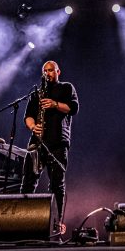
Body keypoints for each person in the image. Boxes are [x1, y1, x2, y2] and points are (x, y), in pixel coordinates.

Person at [20, 61, 79, 236]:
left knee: (56, 185)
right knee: (28, 182)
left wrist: (54, 104)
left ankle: (56, 223)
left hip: (58, 143)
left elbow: (73, 108)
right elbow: (28, 116)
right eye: (45, 71)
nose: (48, 73)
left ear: (58, 71)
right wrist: (32, 127)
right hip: (36, 142)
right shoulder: (37, 93)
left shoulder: (67, 88)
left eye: (51, 70)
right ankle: (23, 221)